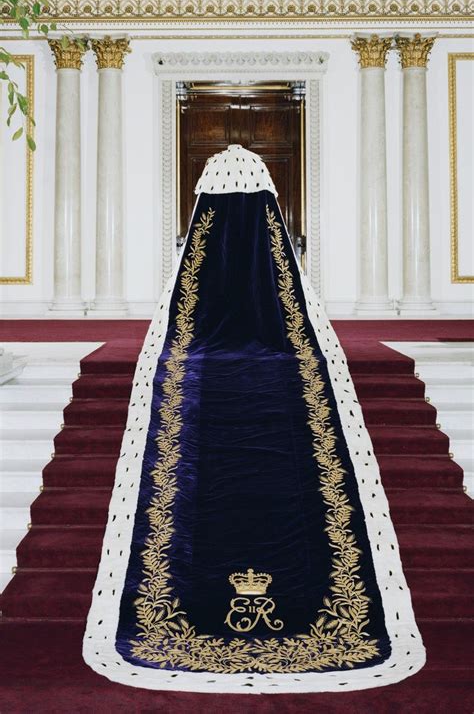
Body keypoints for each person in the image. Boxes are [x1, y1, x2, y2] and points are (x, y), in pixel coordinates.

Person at [83, 144, 424, 693]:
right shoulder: (267, 227)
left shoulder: (208, 227)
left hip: (203, 349)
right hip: (277, 350)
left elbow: (194, 291)